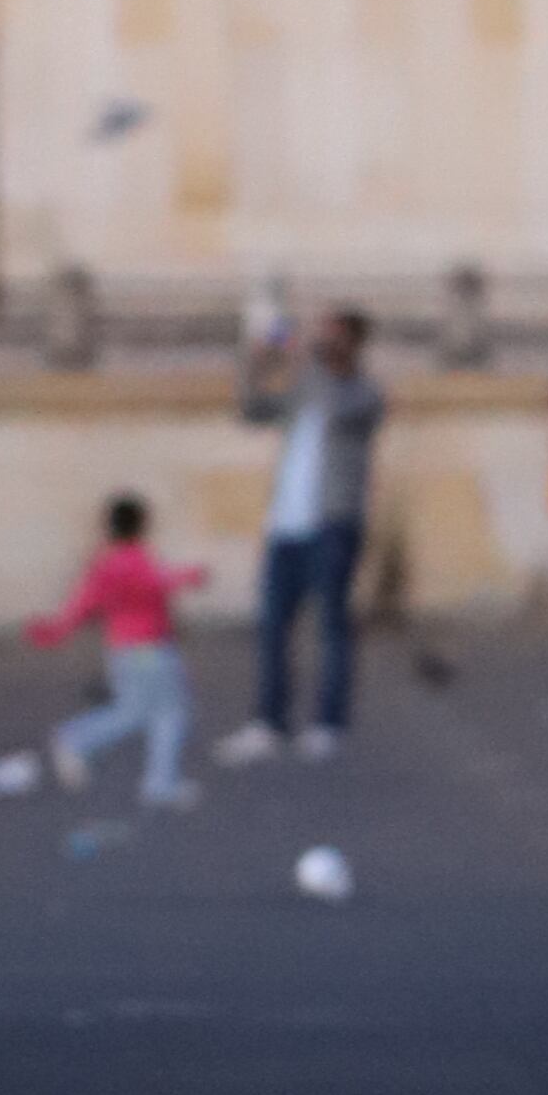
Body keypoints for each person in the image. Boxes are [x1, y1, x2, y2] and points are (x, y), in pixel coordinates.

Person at [220, 303, 384, 762]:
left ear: (353, 341)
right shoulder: (305, 386)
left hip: (333, 522)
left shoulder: (364, 392)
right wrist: (256, 359)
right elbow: (251, 409)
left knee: (332, 625)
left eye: (333, 334)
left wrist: (307, 359)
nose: (322, 340)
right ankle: (268, 721)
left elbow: (338, 403)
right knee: (272, 627)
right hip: (285, 524)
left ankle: (328, 722)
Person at [23, 488, 209, 810]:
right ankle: (155, 780)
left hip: (122, 649)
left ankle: (84, 743)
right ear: (142, 524)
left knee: (136, 710)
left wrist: (54, 631)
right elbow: (162, 581)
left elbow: (80, 606)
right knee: (169, 711)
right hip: (151, 648)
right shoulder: (138, 559)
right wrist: (193, 575)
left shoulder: (103, 565)